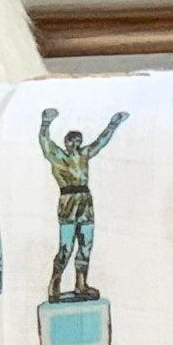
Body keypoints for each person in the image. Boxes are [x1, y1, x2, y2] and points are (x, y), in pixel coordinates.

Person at [39, 107, 129, 301]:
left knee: (86, 245)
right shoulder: (58, 157)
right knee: (66, 247)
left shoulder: (84, 155)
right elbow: (45, 143)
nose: (75, 143)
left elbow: (100, 142)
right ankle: (55, 283)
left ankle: (81, 284)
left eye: (78, 140)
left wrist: (113, 125)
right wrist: (45, 123)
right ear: (66, 142)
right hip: (68, 202)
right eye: (71, 140)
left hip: (85, 203)